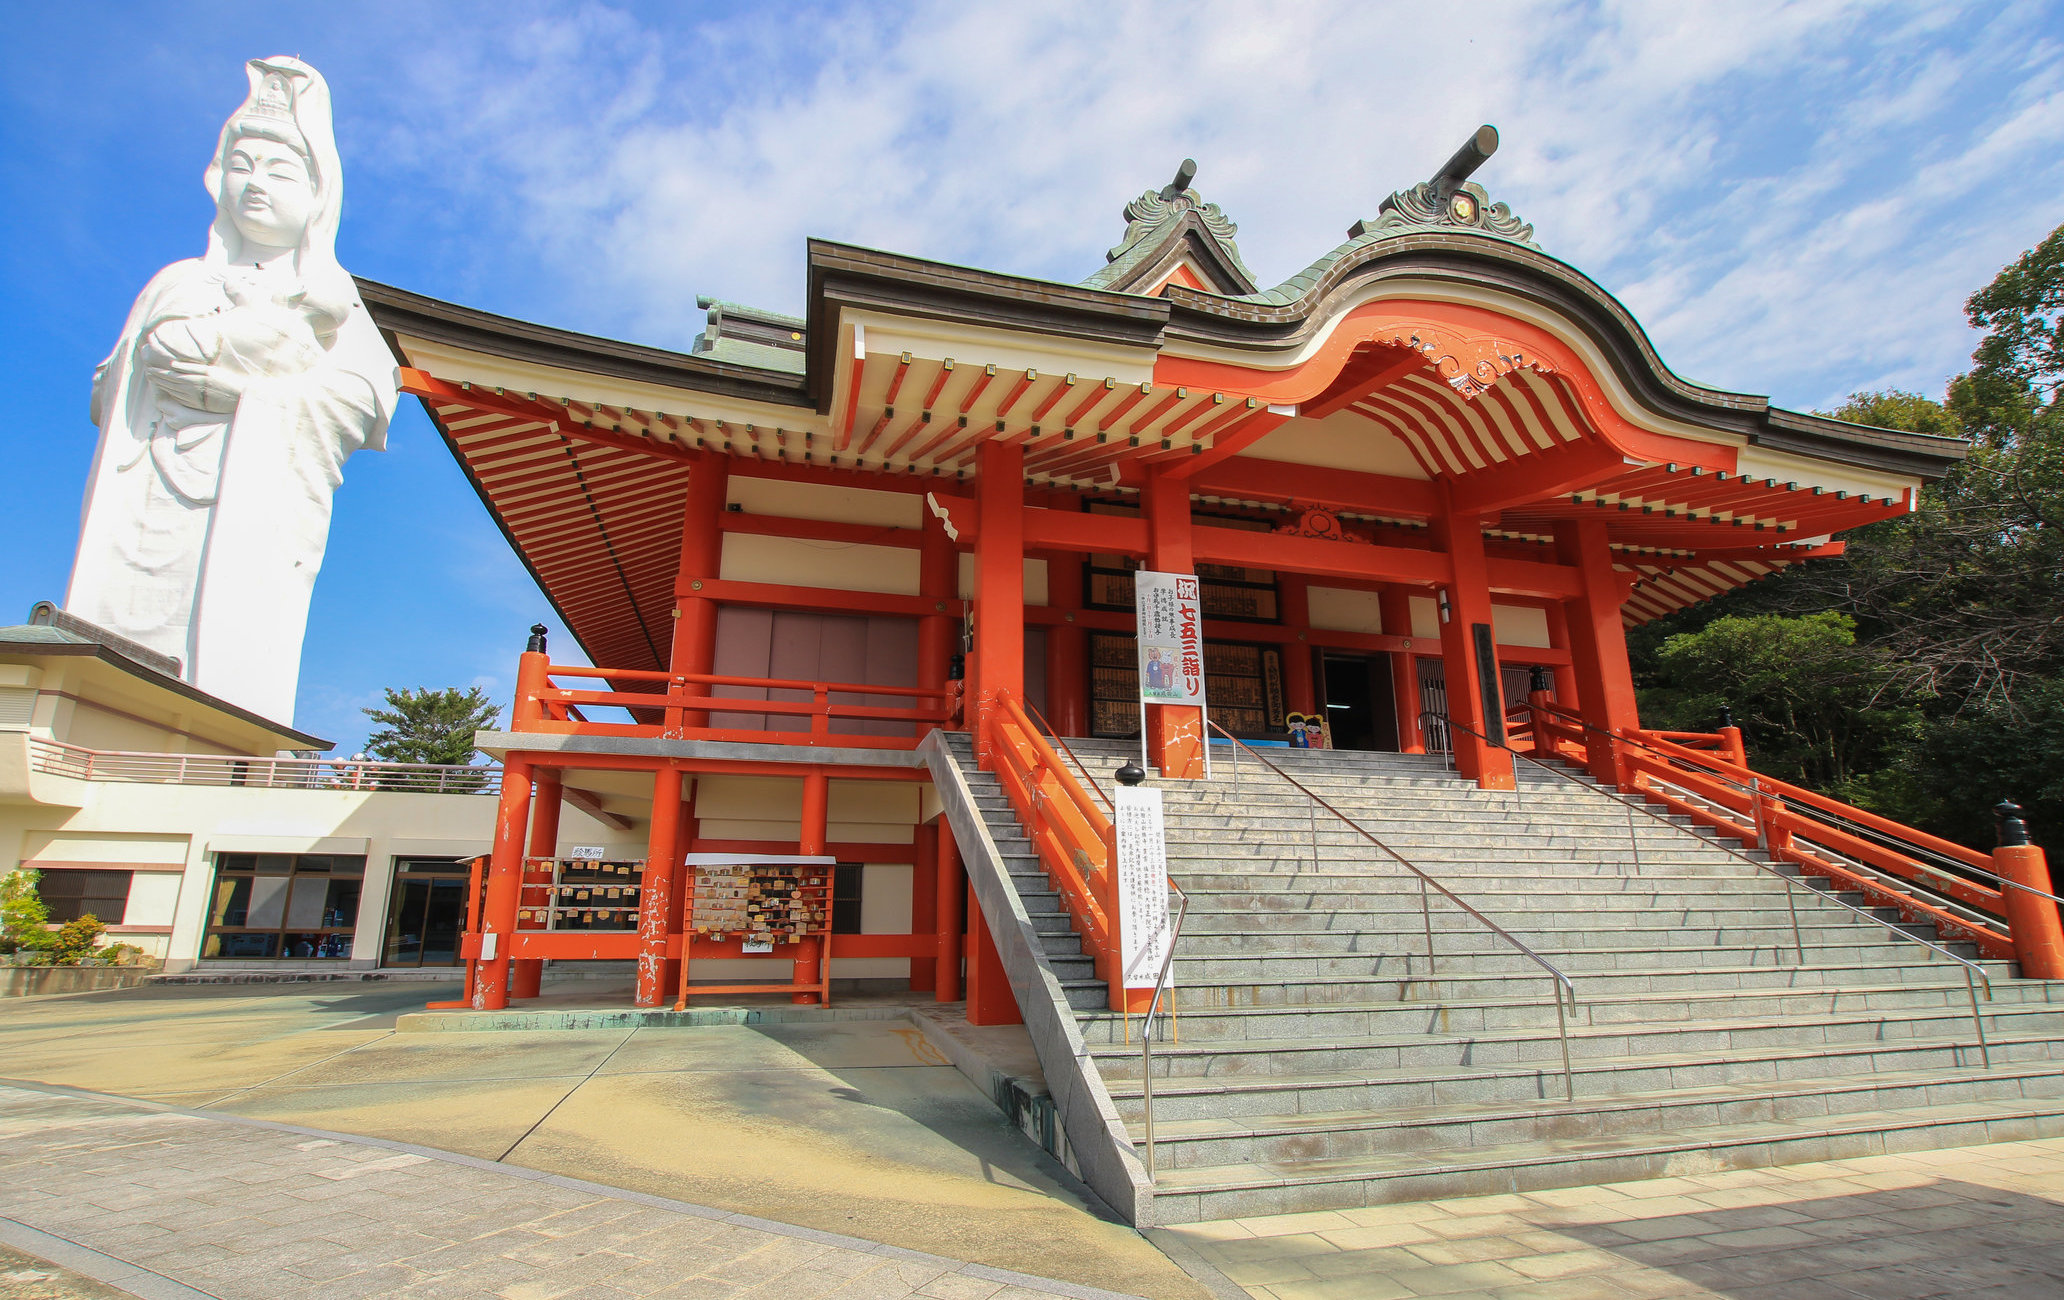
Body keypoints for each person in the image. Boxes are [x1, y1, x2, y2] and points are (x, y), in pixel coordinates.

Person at [65, 57, 397, 725]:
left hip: (250, 496)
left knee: (230, 636)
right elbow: (109, 388)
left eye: (279, 172)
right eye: (243, 165)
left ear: (317, 193)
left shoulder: (334, 301)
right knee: (109, 631)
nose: (255, 185)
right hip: (145, 490)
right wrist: (151, 363)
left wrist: (233, 389)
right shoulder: (175, 282)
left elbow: (361, 403)